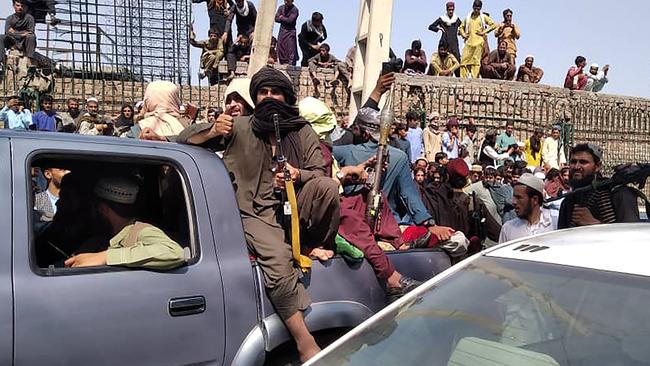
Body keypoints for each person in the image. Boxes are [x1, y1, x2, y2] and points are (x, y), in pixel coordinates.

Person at [178, 66, 340, 362]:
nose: (268, 97)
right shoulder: (240, 125)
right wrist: (213, 130)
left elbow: (319, 172)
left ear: (286, 97)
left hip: (294, 207)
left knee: (327, 187)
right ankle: (304, 340)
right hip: (255, 210)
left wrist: (295, 174)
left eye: (274, 92)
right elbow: (184, 139)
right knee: (277, 260)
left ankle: (309, 242)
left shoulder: (301, 130)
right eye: (262, 93)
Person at [64, 176, 186, 269]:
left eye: (93, 207)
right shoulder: (101, 238)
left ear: (103, 208)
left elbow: (174, 252)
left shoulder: (140, 231)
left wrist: (105, 257)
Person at [558, 143, 639, 229]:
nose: (577, 167)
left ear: (597, 166)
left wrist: (595, 224)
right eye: (573, 162)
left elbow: (631, 235)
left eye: (583, 162)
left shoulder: (620, 194)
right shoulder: (569, 200)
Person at [499, 173, 557, 243]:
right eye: (514, 197)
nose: (513, 202)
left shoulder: (554, 224)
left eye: (519, 198)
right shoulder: (508, 229)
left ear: (535, 199)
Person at [459, 0, 496, 79]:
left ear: (480, 9)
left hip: (478, 42)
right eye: (475, 8)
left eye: (478, 9)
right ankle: (463, 79)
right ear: (473, 7)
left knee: (476, 63)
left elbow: (493, 25)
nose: (476, 10)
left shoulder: (483, 17)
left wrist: (483, 32)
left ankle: (474, 79)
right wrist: (464, 35)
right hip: (468, 43)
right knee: (463, 62)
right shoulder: (468, 17)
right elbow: (461, 27)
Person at [1, 0, 37, 74]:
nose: (20, 8)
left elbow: (30, 32)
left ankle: (30, 61)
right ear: (14, 6)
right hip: (13, 42)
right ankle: (1, 62)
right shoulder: (9, 18)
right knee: (1, 37)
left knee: (31, 37)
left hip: (25, 43)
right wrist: (22, 34)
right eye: (17, 5)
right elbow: (7, 32)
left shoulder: (30, 18)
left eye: (22, 6)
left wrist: (14, 32)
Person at [428, 2, 462, 76]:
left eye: (452, 10)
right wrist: (438, 28)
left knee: (457, 61)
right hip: (444, 44)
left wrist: (460, 31)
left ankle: (459, 79)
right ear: (447, 10)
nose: (451, 11)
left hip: (454, 44)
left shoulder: (456, 19)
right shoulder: (442, 19)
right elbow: (430, 26)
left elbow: (462, 27)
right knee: (439, 61)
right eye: (449, 10)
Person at [274, 0, 299, 66]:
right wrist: (284, 19)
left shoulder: (295, 10)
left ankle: (290, 65)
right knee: (280, 47)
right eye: (285, 0)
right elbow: (276, 18)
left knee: (290, 48)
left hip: (290, 31)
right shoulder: (281, 8)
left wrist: (281, 17)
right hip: (282, 30)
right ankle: (282, 63)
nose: (286, 2)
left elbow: (290, 20)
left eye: (288, 1)